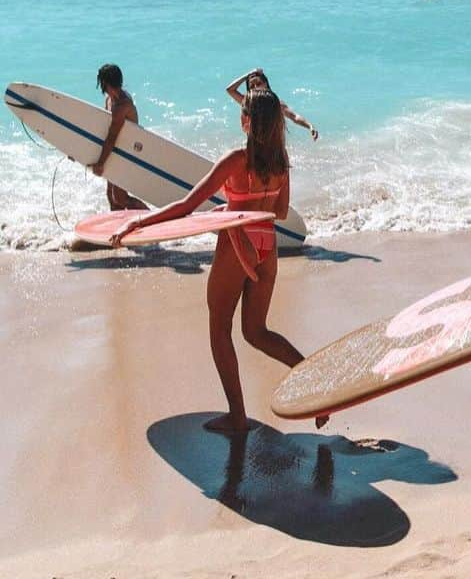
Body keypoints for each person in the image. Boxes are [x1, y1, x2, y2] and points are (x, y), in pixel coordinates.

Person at [110, 88, 327, 435]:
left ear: (246, 122)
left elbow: (186, 205)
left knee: (220, 329)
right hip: (265, 249)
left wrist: (138, 221)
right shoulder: (280, 163)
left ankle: (238, 416)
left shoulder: (234, 160)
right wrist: (238, 207)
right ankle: (315, 381)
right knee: (257, 332)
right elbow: (280, 212)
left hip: (235, 246)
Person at [91, 65, 149, 211]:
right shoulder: (110, 100)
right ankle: (118, 230)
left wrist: (100, 163)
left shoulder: (122, 105)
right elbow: (103, 129)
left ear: (106, 83)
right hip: (116, 150)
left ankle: (149, 218)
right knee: (111, 196)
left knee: (120, 197)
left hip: (127, 152)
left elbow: (112, 136)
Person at [226, 70, 318, 140]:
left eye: (258, 83)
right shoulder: (247, 103)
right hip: (253, 145)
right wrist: (247, 75)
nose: (255, 87)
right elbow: (230, 90)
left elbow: (294, 116)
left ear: (266, 84)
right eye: (252, 86)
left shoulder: (275, 103)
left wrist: (310, 126)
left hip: (274, 147)